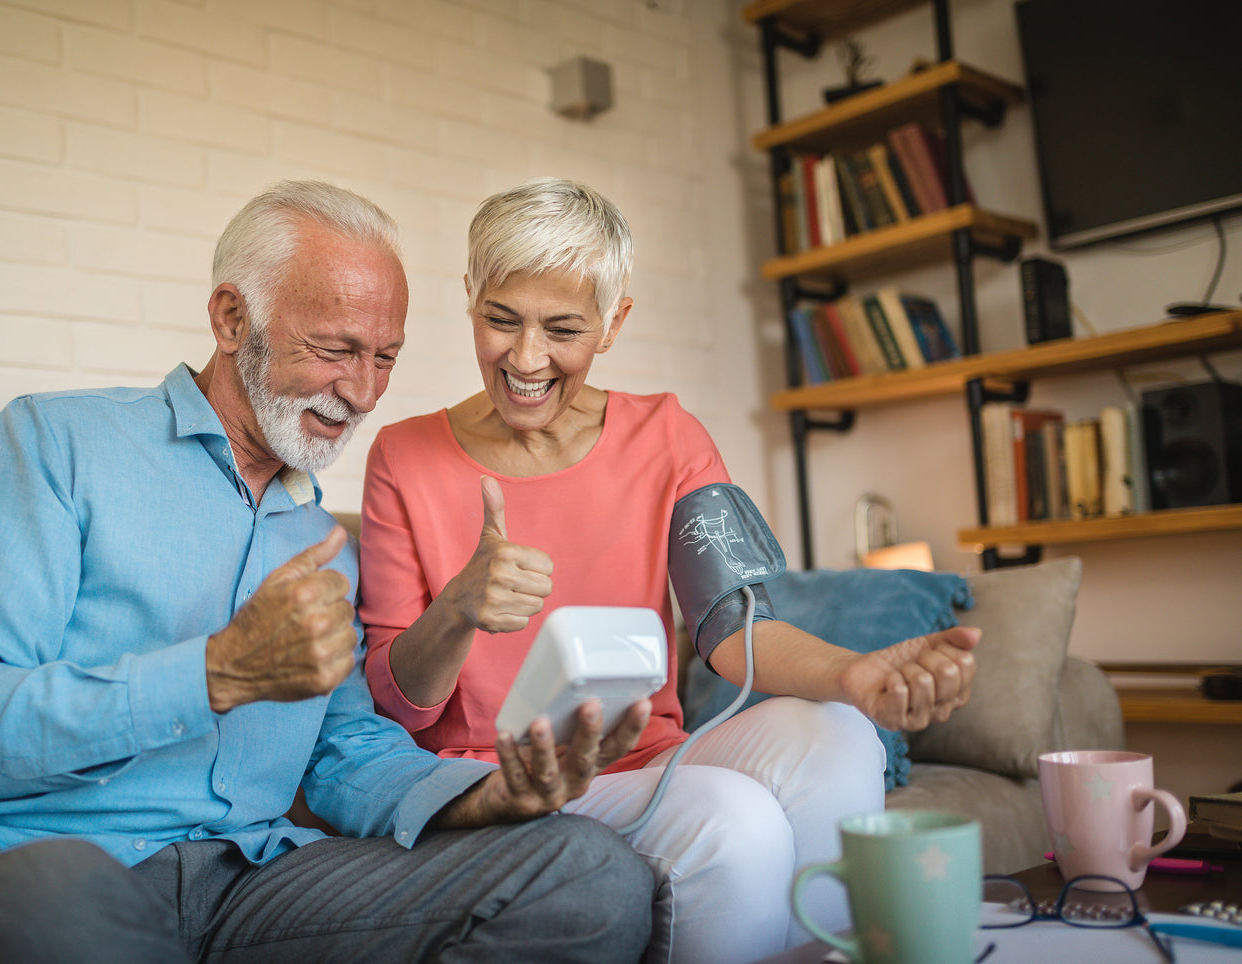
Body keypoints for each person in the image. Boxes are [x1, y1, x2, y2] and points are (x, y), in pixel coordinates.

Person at [0, 180, 656, 964]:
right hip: (44, 871)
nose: (363, 391)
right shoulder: (55, 445)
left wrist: (488, 798)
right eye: (335, 349)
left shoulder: (318, 544)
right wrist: (213, 674)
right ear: (232, 318)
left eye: (384, 358)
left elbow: (345, 751)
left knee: (585, 874)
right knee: (63, 907)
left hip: (251, 887)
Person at [357, 177, 981, 962]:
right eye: (500, 319)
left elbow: (730, 628)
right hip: (496, 780)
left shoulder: (665, 435)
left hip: (642, 756)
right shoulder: (404, 457)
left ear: (613, 322)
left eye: (563, 329)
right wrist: (456, 608)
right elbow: (394, 706)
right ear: (470, 296)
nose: (525, 358)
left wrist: (856, 676)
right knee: (733, 820)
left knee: (838, 733)